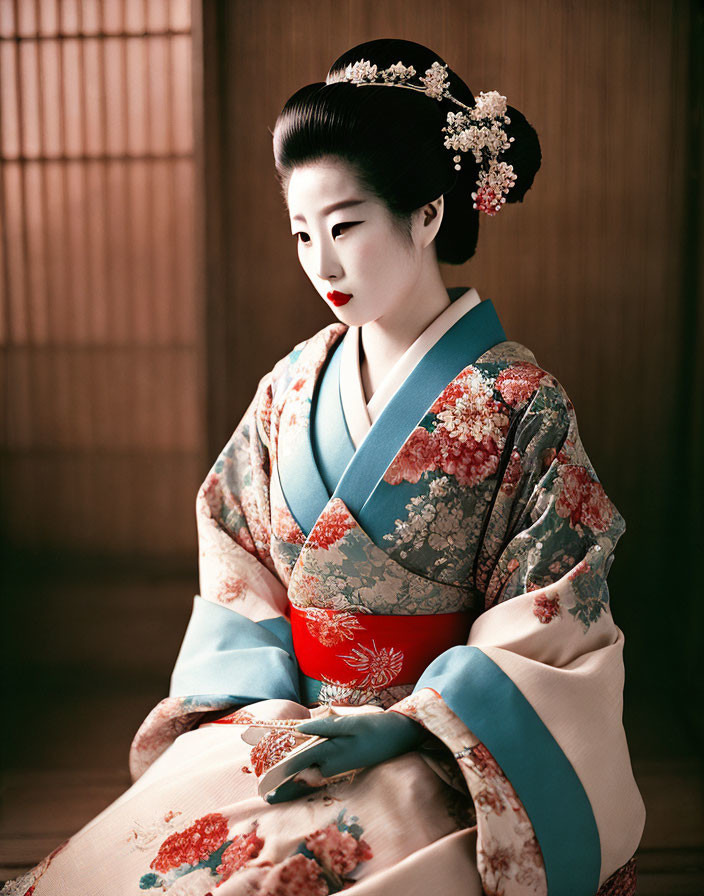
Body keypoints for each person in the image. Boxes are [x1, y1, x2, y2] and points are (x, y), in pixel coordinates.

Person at [2, 38, 645, 896]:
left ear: (427, 213)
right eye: (302, 232)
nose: (322, 263)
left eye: (346, 227)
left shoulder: (521, 402)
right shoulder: (290, 387)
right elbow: (238, 563)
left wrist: (413, 726)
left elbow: (552, 616)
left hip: (438, 755)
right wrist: (260, 713)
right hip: (281, 722)